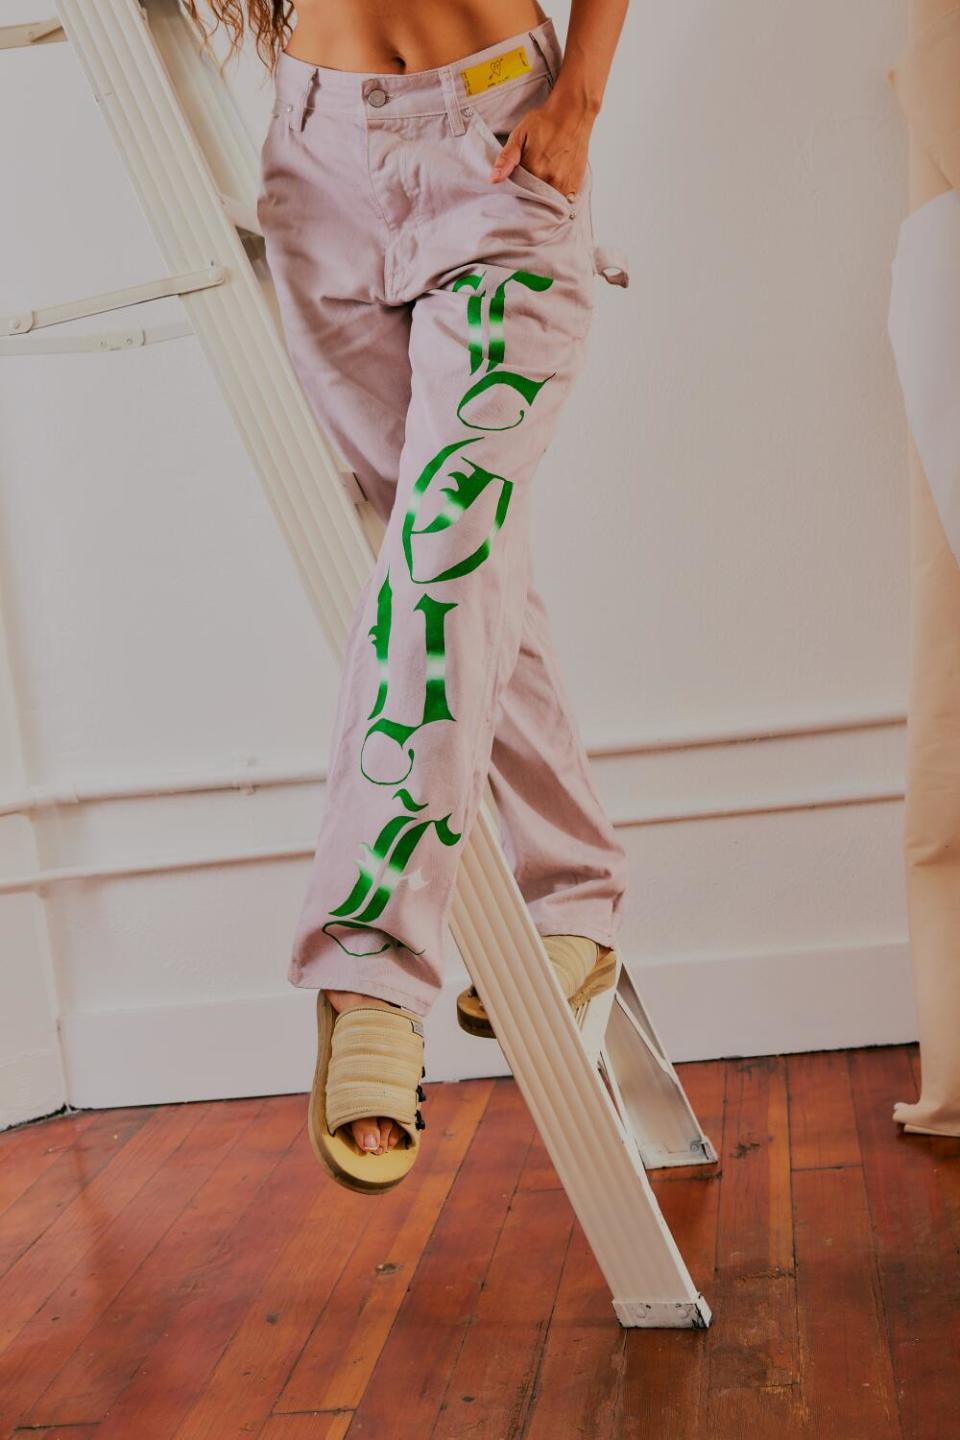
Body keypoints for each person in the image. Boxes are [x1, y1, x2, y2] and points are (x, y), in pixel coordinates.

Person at [186, 0, 631, 1192]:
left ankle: (373, 964)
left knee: (442, 555)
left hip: (497, 140)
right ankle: (576, 886)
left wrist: (579, 96)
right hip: (317, 163)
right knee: (453, 562)